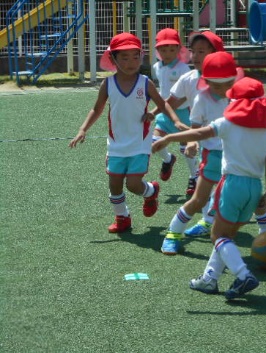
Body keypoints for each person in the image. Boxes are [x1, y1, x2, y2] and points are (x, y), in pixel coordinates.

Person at [153, 76, 266, 299]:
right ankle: (210, 279)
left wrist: (170, 137)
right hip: (255, 188)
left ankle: (243, 274)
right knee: (227, 236)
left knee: (218, 235)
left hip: (232, 185)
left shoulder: (228, 124)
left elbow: (200, 133)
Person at [69, 32, 179, 233]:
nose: (131, 62)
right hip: (116, 144)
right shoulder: (107, 84)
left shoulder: (145, 83)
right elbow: (97, 109)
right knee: (115, 185)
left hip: (139, 143)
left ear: (141, 56)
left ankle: (151, 191)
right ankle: (122, 217)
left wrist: (175, 121)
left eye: (135, 56)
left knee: (134, 185)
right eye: (124, 57)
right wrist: (82, 129)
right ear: (113, 59)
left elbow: (163, 104)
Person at [156, 51, 240, 255]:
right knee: (198, 200)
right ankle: (173, 234)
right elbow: (195, 127)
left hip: (237, 157)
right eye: (216, 85)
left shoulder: (240, 96)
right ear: (207, 82)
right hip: (212, 155)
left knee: (246, 199)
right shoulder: (202, 99)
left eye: (227, 84)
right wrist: (193, 142)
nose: (223, 90)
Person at [146, 30, 225, 197]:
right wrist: (156, 113)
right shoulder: (188, 78)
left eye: (201, 51)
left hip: (224, 141)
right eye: (193, 51)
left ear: (216, 54)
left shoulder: (228, 79)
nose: (195, 56)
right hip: (202, 138)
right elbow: (171, 102)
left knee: (228, 182)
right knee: (206, 192)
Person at [150, 28, 198, 190]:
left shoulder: (184, 69)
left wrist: (176, 104)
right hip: (164, 112)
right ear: (157, 50)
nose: (168, 53)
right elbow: (162, 92)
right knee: (154, 141)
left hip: (183, 112)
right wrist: (155, 110)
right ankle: (168, 159)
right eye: (163, 49)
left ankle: (194, 177)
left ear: (179, 49)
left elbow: (188, 91)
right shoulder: (156, 67)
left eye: (172, 49)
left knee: (186, 147)